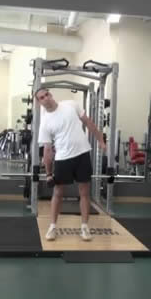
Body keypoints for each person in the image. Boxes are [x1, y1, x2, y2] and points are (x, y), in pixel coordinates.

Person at [36, 88, 107, 241]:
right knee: (57, 193)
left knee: (84, 193)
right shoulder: (45, 123)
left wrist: (101, 140)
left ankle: (84, 227)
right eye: (42, 97)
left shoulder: (71, 105)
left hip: (83, 154)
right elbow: (47, 150)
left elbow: (88, 123)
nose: (46, 98)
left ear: (51, 94)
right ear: (39, 102)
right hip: (63, 159)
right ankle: (53, 227)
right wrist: (48, 174)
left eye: (47, 94)